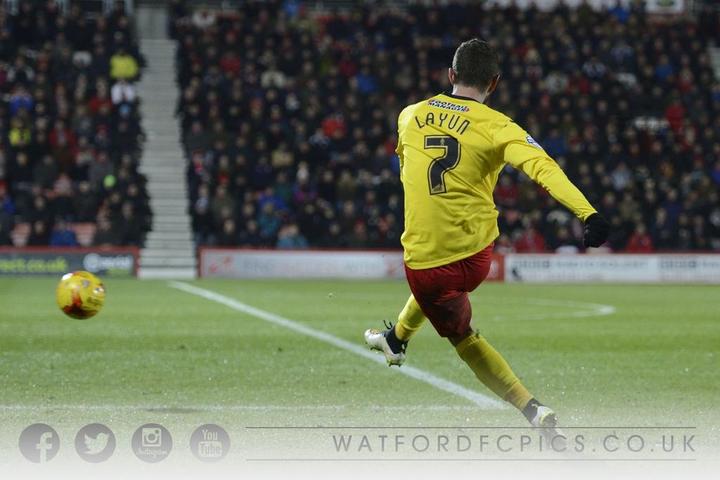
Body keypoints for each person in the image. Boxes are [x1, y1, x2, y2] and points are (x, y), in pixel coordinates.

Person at [364, 39, 610, 442]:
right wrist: (589, 213)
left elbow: (407, 167)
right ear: (493, 83)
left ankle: (532, 409)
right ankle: (396, 339)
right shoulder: (500, 126)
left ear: (451, 75)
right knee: (442, 292)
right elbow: (543, 168)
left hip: (428, 263)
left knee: (462, 334)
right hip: (480, 255)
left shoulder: (410, 115)